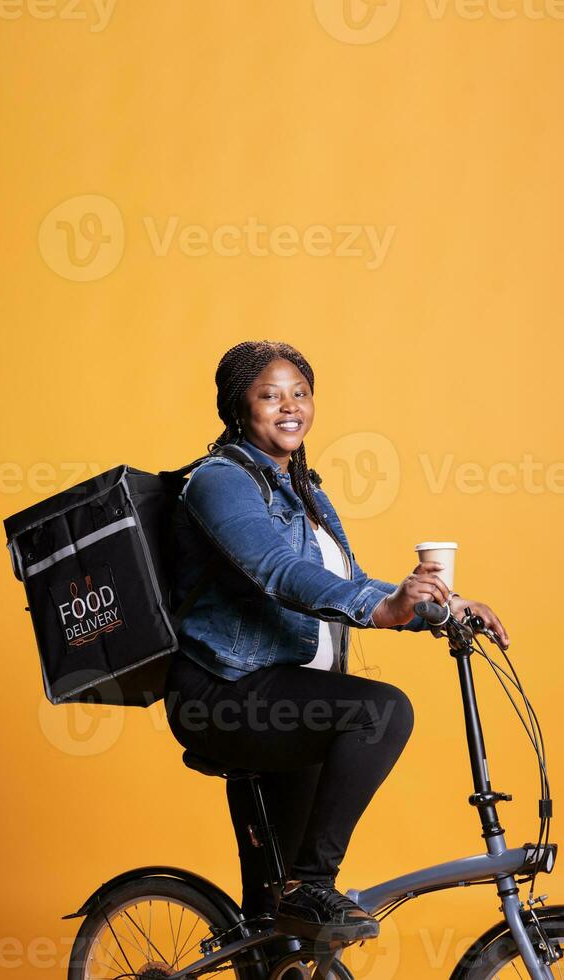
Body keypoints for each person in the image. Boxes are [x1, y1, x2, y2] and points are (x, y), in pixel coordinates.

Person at [164, 340, 509, 949]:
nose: (290, 406)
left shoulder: (303, 488)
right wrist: (377, 608)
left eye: (300, 392)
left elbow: (348, 581)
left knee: (280, 929)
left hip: (290, 702)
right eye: (270, 395)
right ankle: (312, 884)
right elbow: (276, 570)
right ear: (237, 407)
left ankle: (289, 913)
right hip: (223, 694)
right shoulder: (219, 483)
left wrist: (442, 607)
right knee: (381, 710)